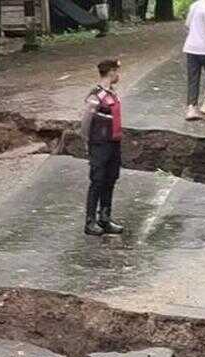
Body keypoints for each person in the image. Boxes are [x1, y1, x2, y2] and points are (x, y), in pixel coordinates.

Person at [81, 59, 125, 237]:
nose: (119, 75)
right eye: (117, 71)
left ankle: (105, 217)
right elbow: (86, 122)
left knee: (111, 178)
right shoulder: (96, 95)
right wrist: (87, 142)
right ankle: (90, 221)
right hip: (100, 143)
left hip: (113, 142)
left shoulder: (112, 93)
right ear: (111, 72)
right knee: (97, 180)